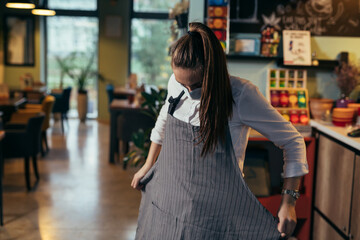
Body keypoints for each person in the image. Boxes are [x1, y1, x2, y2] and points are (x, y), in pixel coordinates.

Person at [131, 22, 308, 239]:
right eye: (181, 83)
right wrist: (148, 165)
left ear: (213, 72)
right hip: (170, 204)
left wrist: (289, 201)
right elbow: (163, 122)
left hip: (217, 218)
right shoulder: (177, 83)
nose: (187, 92)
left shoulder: (241, 95)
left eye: (196, 86)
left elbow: (293, 141)